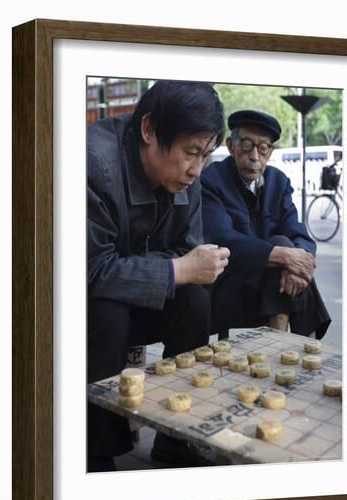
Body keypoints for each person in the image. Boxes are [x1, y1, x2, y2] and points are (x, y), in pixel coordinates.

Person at [87, 80, 229, 471]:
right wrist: (174, 268)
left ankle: (176, 437)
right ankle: (92, 452)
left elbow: (186, 248)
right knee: (107, 311)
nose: (196, 169)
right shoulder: (91, 161)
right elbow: (88, 270)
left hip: (138, 297)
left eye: (205, 154)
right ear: (148, 131)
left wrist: (179, 268)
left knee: (195, 298)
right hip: (79, 308)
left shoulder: (189, 176)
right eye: (189, 152)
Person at [201, 109, 331, 339]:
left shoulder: (278, 182)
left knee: (288, 253)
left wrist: (301, 264)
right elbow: (222, 238)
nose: (254, 156)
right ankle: (306, 347)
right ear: (231, 146)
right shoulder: (212, 180)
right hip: (230, 287)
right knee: (281, 250)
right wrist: (282, 256)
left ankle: (286, 345)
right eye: (247, 145)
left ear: (270, 152)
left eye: (263, 148)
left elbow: (299, 234)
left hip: (276, 287)